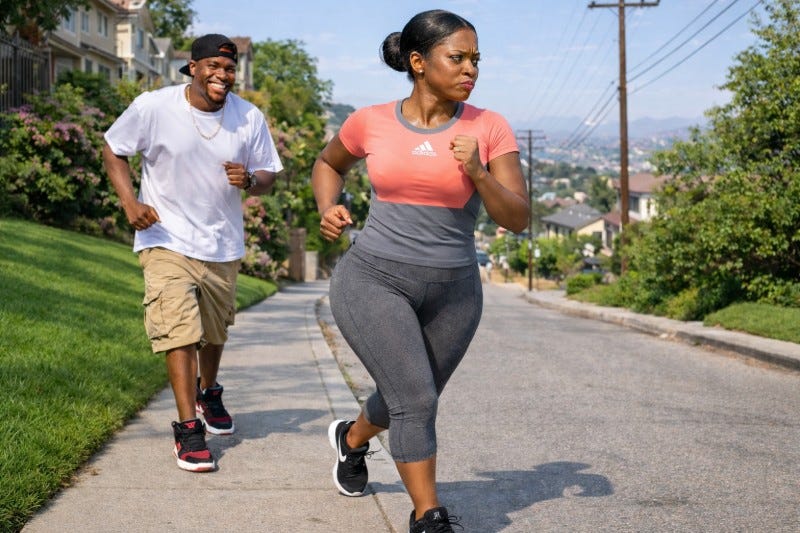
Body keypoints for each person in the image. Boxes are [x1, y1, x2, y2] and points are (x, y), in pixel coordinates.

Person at [311, 10, 529, 532]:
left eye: (476, 59)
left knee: (407, 396)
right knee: (416, 399)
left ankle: (352, 439)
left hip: (455, 291)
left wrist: (477, 170)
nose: (470, 69)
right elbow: (328, 164)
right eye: (457, 57)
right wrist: (328, 207)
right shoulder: (370, 121)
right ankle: (428, 516)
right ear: (417, 62)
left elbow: (517, 217)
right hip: (373, 278)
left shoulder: (489, 127)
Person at [102, 34, 283, 473]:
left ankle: (209, 391)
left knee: (214, 331)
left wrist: (251, 181)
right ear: (193, 67)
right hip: (165, 238)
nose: (222, 76)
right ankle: (187, 428)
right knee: (179, 329)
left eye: (229, 69)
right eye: (214, 67)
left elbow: (268, 174)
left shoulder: (248, 116)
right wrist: (129, 203)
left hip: (221, 242)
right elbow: (114, 147)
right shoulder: (154, 107)